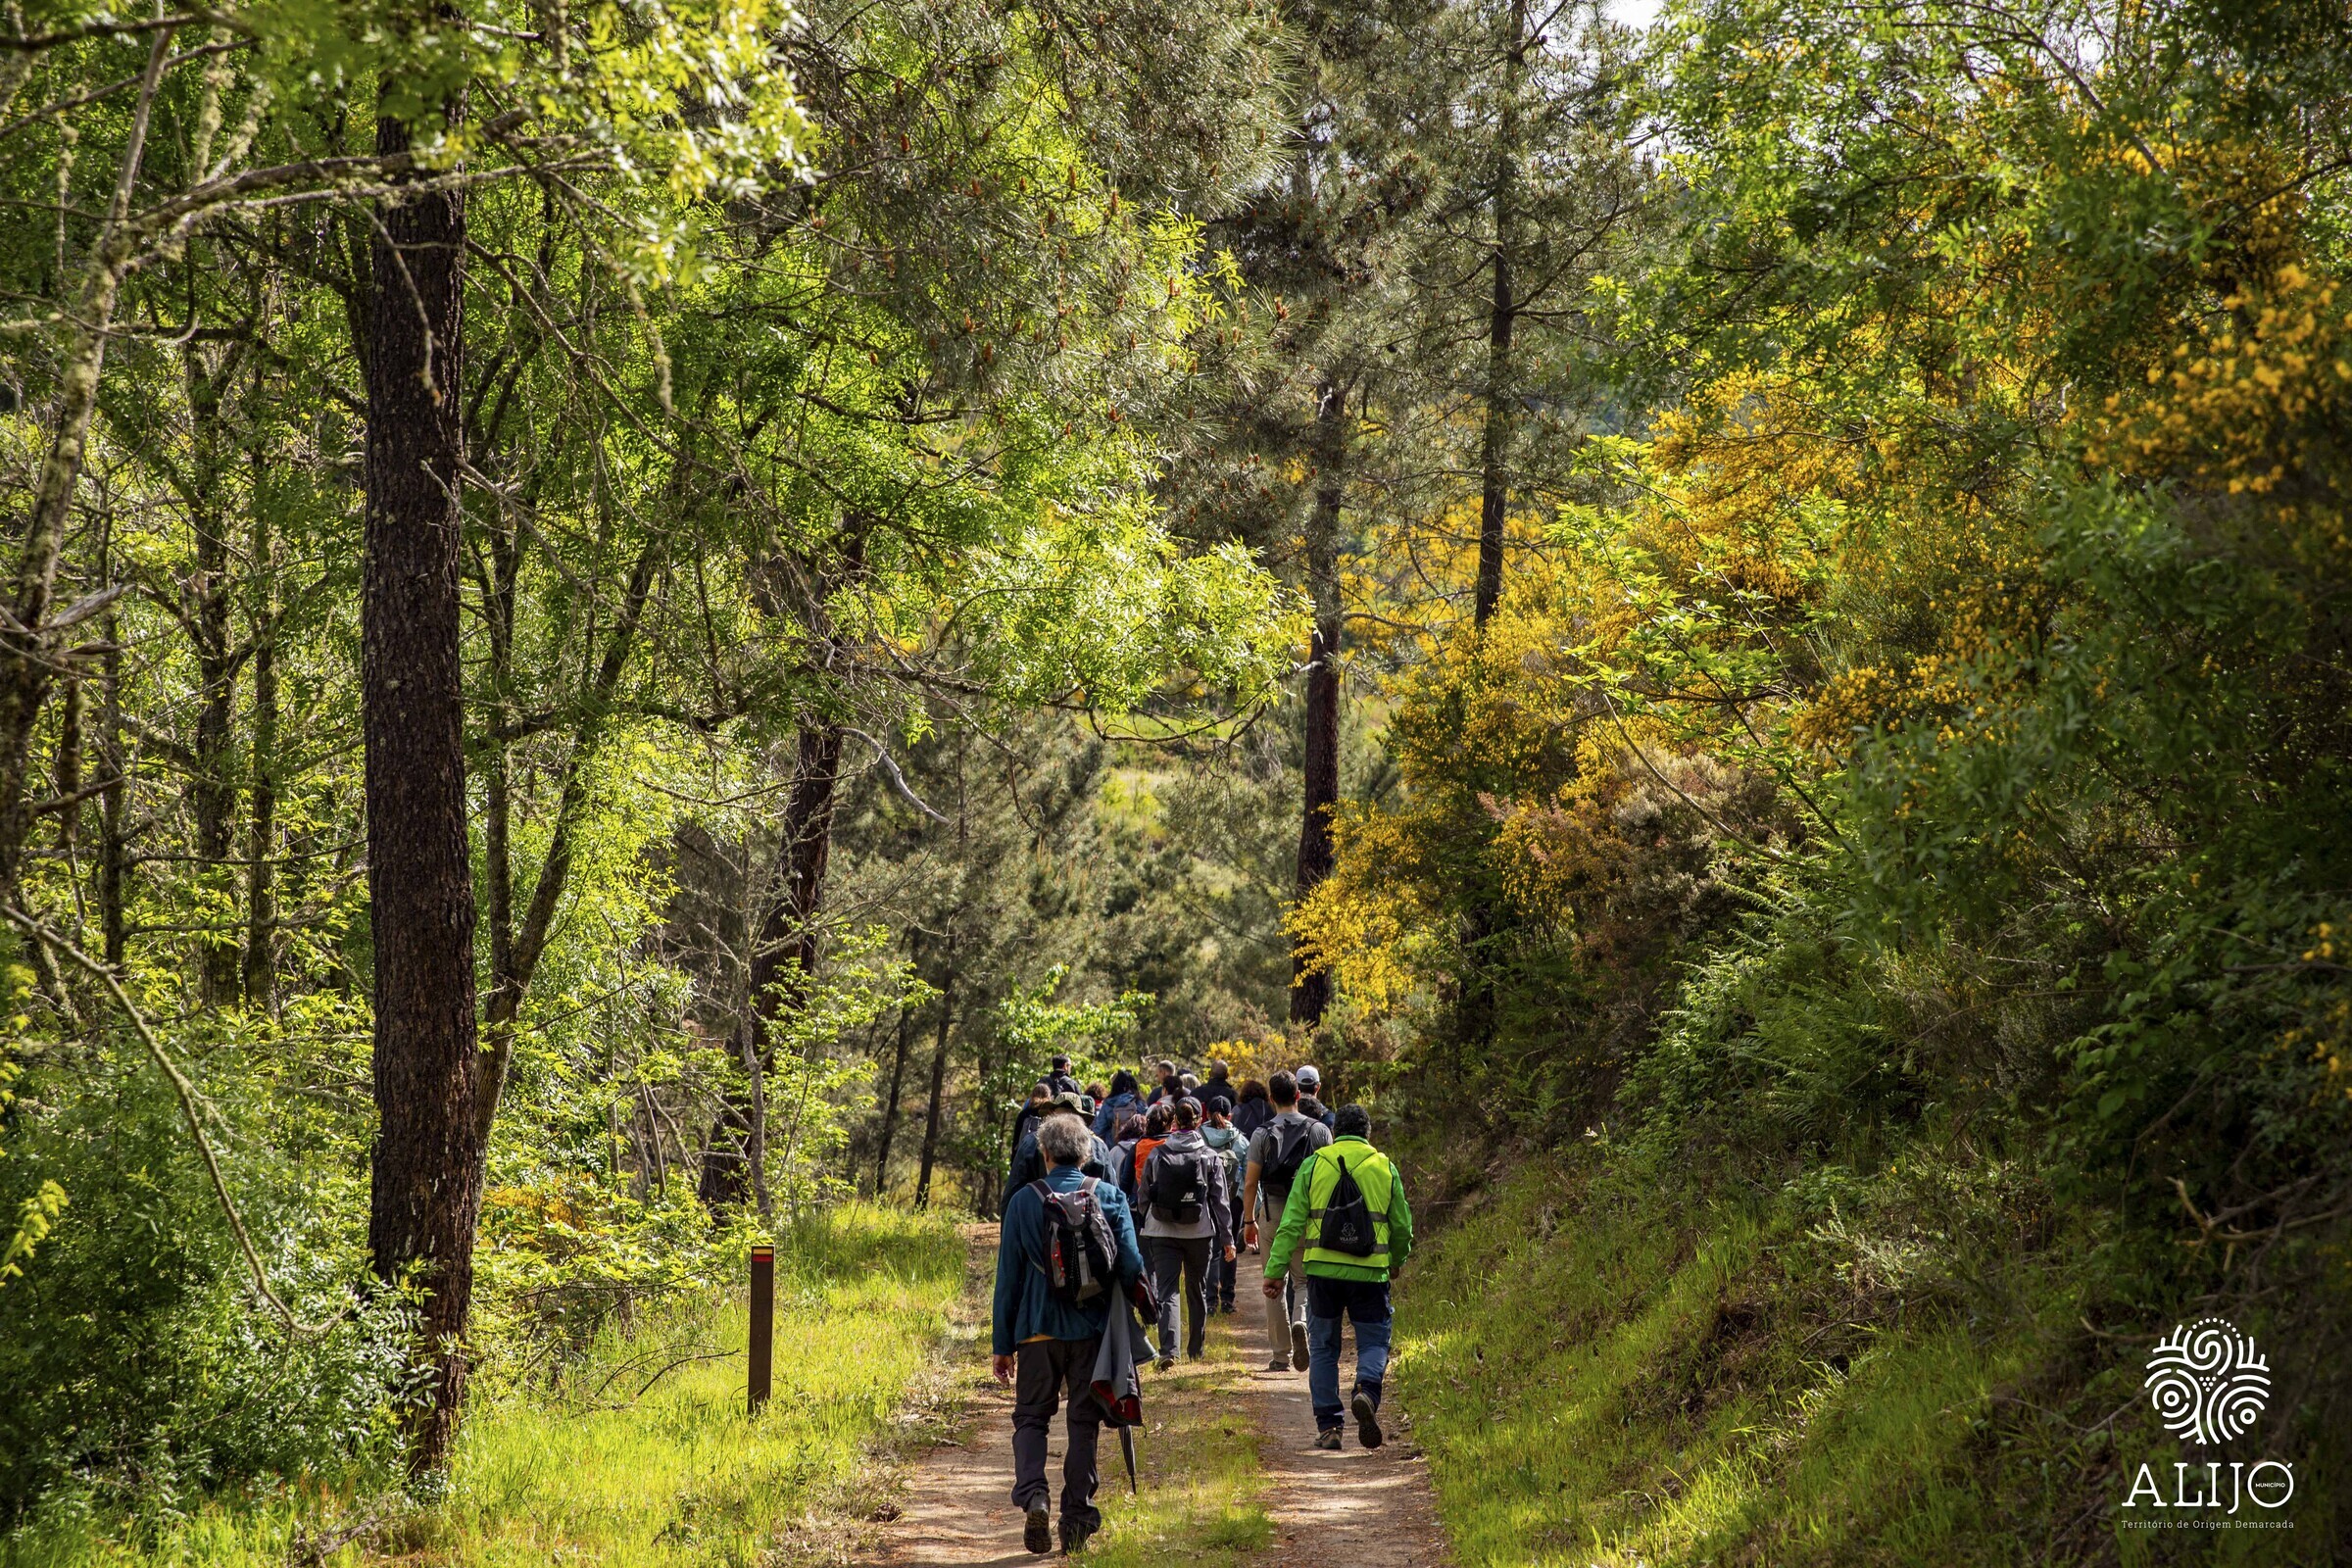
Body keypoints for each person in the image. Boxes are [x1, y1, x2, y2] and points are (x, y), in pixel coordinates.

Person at [994, 1112, 1146, 1554]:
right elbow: (1132, 1266)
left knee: (1031, 1418)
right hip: (1092, 1333)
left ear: (1044, 1153)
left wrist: (1002, 1346)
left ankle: (1034, 1496)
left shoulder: (1022, 1203)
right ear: (1086, 1154)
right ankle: (1076, 1520)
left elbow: (1008, 1281)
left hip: (1036, 1330)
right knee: (1083, 1422)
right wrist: (1144, 1313)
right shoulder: (1109, 1196)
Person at [1262, 1103, 1414, 1452]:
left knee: (1323, 1348)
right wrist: (1395, 1260)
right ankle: (1366, 1391)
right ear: (1367, 1133)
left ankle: (1330, 1426)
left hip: (1322, 1273)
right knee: (1374, 1343)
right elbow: (1402, 1226)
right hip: (1370, 1274)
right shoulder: (1384, 1166)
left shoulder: (1314, 1165)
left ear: (1335, 1131)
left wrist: (1275, 1272)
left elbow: (1291, 1224)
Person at [1241, 1070, 1332, 1371]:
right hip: (1308, 1213)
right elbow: (1329, 1177)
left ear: (1271, 1099)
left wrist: (1249, 1221)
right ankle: (1301, 1321)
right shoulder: (1320, 1131)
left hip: (1273, 1212)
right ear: (1298, 1095)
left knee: (1273, 1280)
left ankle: (1281, 1355)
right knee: (1303, 1279)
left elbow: (1251, 1182)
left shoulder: (1261, 1134)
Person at [1137, 1097, 1233, 1366]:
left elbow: (1143, 1194)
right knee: (1196, 1289)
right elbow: (1220, 1201)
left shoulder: (1158, 1154)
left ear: (1175, 1122)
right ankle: (1195, 1351)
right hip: (1199, 1233)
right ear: (1199, 1121)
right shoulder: (1209, 1156)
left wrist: (1145, 1220)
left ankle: (1169, 1351)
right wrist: (1227, 1238)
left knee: (1167, 1290)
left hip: (1162, 1231)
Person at [1003, 1092, 1113, 1208]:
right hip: (1088, 1215)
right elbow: (1112, 1199)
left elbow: (1011, 1195)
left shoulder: (1031, 1143)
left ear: (1051, 1114)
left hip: (1037, 1215)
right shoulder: (1098, 1147)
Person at [1200, 1102, 1247, 1312]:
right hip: (1233, 1199)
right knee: (1230, 1244)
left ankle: (1210, 1301)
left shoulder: (1199, 1136)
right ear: (1230, 1115)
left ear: (1207, 1114)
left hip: (1208, 1197)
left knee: (1212, 1247)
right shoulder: (1239, 1139)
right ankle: (1227, 1298)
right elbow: (1247, 1173)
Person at [1007, 1081, 1054, 1168]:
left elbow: (1016, 1141)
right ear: (1048, 1096)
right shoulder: (1050, 1114)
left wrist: (1013, 1163)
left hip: (1024, 1160)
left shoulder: (1024, 1114)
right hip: (1044, 1161)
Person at [1092, 1069, 1144, 1142]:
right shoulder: (1139, 1102)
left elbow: (1099, 1129)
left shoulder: (1109, 1102)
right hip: (1135, 1145)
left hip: (1113, 1145)